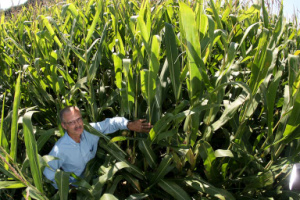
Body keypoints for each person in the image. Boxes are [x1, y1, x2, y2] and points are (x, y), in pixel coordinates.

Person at [43, 106, 152, 189]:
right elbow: (48, 174)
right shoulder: (60, 149)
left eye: (79, 119)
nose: (78, 125)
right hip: (80, 188)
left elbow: (110, 123)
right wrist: (69, 187)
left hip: (98, 179)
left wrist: (129, 124)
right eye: (71, 122)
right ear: (64, 125)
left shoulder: (91, 131)